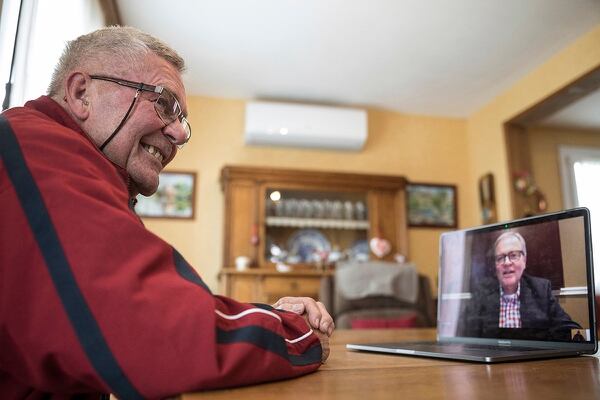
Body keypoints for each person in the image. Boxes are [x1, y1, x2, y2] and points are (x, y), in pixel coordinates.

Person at [0, 26, 333, 398]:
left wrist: (267, 317)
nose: (179, 134)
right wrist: (295, 331)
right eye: (164, 104)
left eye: (182, 120)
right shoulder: (39, 150)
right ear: (81, 94)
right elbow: (154, 334)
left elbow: (149, 311)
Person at [462, 231, 580, 340]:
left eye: (513, 255)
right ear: (495, 265)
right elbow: (463, 330)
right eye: (500, 258)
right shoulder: (482, 292)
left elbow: (568, 328)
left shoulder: (541, 289)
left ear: (525, 260)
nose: (507, 262)